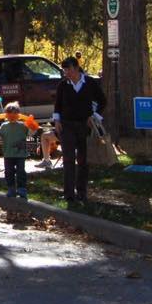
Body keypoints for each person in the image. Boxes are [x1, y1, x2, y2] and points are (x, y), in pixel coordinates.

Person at [54, 56, 106, 203]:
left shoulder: (89, 83)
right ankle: (69, 193)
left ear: (76, 68)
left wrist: (94, 116)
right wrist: (57, 120)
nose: (66, 73)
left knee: (82, 160)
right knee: (68, 159)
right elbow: (57, 105)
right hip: (67, 125)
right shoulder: (63, 85)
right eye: (64, 70)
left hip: (84, 125)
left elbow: (103, 101)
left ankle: (81, 192)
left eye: (68, 69)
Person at [0, 102, 31, 199]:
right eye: (9, 115)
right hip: (8, 154)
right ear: (6, 115)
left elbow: (31, 133)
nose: (12, 117)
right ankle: (11, 188)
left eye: (14, 115)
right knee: (9, 172)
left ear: (18, 115)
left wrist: (33, 125)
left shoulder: (23, 126)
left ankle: (22, 189)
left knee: (21, 172)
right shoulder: (4, 126)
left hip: (20, 154)